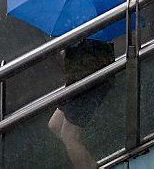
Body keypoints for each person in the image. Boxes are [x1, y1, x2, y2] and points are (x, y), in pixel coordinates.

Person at [48, 38, 115, 169]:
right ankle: (85, 160)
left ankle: (88, 166)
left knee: (69, 135)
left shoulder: (88, 26)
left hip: (89, 78)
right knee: (55, 125)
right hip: (77, 77)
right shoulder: (75, 22)